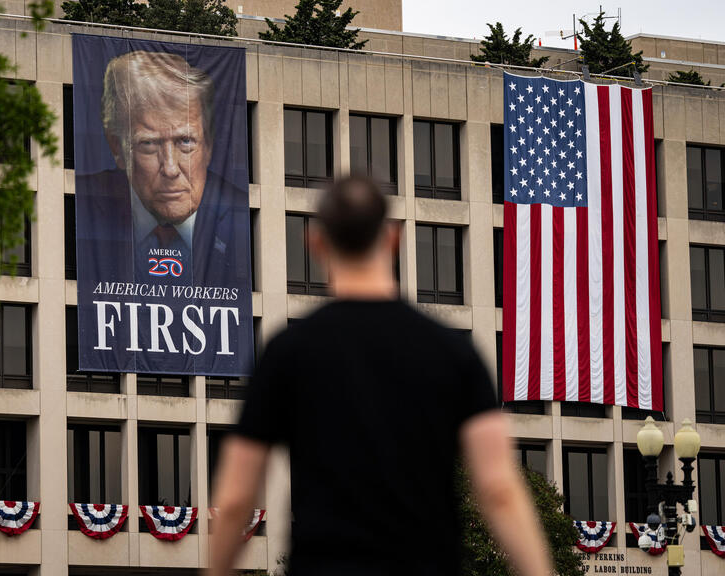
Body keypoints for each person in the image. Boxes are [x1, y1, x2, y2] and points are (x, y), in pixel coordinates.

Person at [208, 176, 554, 576]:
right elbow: (498, 489)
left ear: (316, 243)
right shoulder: (453, 352)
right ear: (392, 239)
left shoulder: (288, 352)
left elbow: (236, 497)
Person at [76, 49, 249, 286]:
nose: (170, 169)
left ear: (208, 145)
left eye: (185, 142)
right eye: (148, 143)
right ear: (117, 147)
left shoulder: (245, 218)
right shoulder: (81, 206)